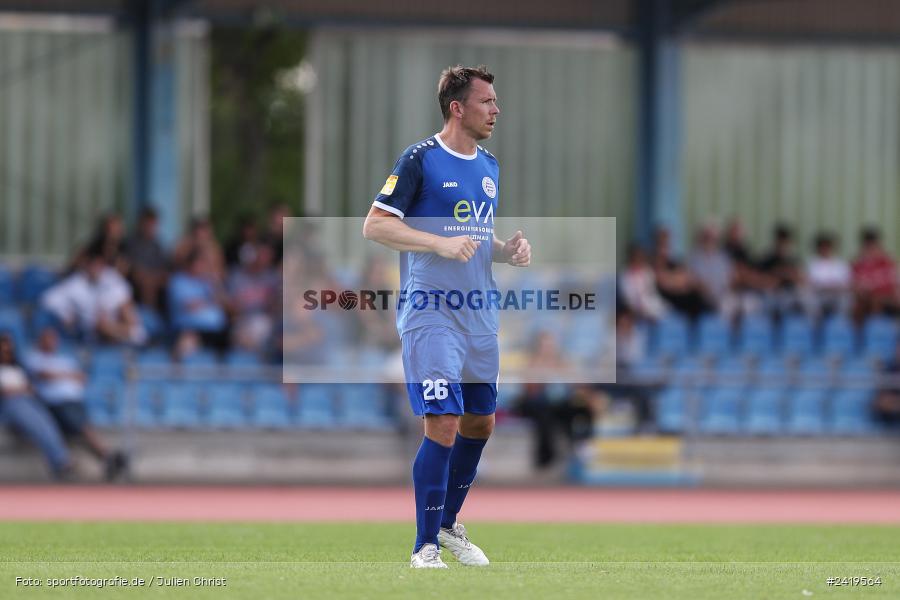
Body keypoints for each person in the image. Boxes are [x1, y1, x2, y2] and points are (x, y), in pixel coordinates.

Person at [363, 65, 530, 569]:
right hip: (431, 313)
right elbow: (375, 226)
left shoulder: (490, 166)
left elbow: (473, 242)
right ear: (457, 107)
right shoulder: (420, 160)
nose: (496, 110)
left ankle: (448, 522)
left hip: (479, 315)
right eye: (487, 102)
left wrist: (506, 250)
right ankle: (424, 547)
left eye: (496, 101)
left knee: (481, 421)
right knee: (444, 423)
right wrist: (437, 241)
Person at [24, 328, 129, 481]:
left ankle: (103, 456)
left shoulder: (64, 360)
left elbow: (82, 377)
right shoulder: (34, 358)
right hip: (55, 403)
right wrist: (68, 376)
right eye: (47, 339)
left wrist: (63, 376)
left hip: (75, 402)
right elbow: (45, 375)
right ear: (40, 340)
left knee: (80, 426)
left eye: (53, 339)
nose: (51, 342)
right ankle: (106, 454)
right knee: (81, 426)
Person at [41, 243, 147, 345]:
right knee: (102, 326)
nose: (97, 267)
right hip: (91, 335)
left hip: (117, 329)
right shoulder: (74, 284)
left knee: (133, 328)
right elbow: (47, 299)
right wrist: (66, 313)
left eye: (100, 264)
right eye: (93, 263)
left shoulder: (112, 279)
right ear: (87, 264)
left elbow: (125, 306)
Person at [0, 334, 72, 480]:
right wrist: (19, 390)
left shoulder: (17, 367)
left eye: (8, 350)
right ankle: (60, 460)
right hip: (7, 406)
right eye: (3, 350)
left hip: (26, 402)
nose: (6, 352)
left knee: (46, 421)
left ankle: (61, 459)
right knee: (29, 416)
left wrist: (21, 390)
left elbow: (31, 388)